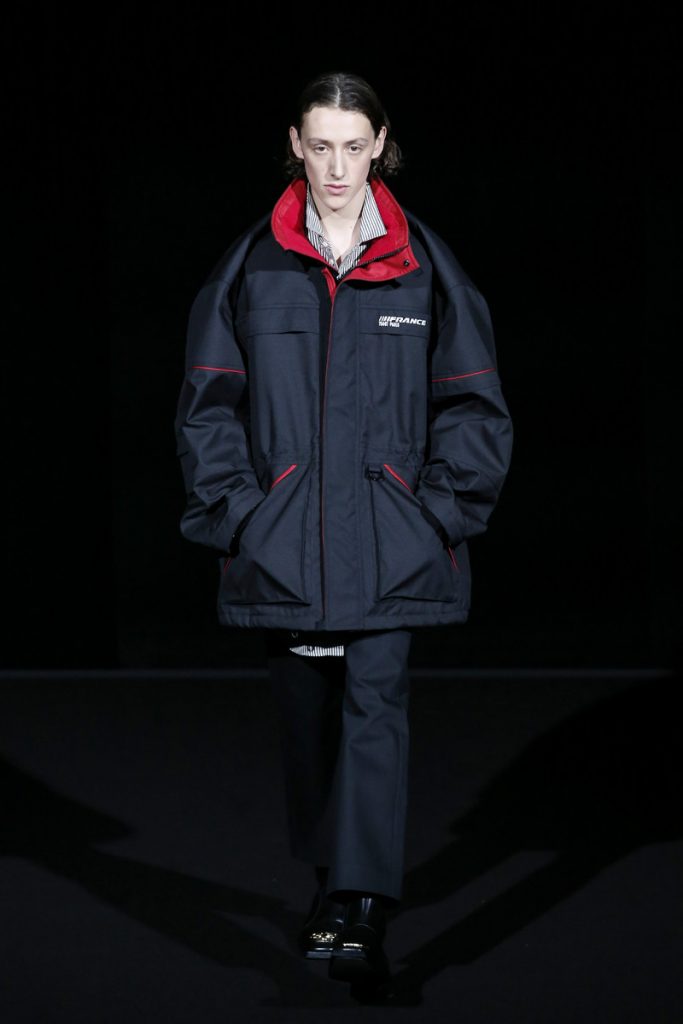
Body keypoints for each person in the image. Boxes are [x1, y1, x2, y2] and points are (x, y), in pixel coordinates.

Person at [174, 70, 513, 989]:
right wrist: (242, 516)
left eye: (353, 147)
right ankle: (331, 884)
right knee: (309, 727)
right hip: (283, 548)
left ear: (379, 146)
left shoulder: (423, 265)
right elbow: (206, 406)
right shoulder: (252, 266)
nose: (335, 167)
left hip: (391, 546)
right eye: (319, 146)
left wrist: (434, 515)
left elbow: (475, 405)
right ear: (295, 144)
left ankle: (361, 905)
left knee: (374, 712)